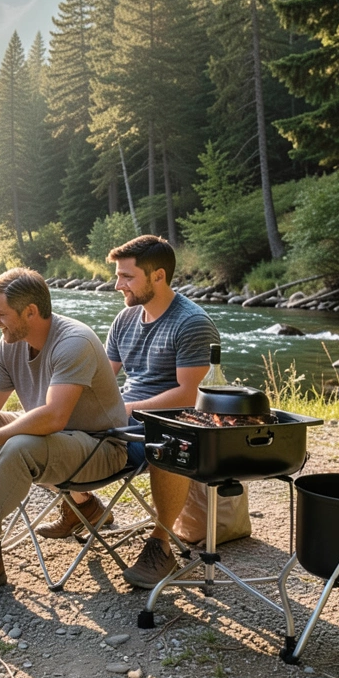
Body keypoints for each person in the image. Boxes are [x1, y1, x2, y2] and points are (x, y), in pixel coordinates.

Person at [0, 268, 130, 604]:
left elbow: (53, 417)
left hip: (100, 448)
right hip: (53, 441)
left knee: (19, 446)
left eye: (1, 314)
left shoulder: (73, 342)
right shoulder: (12, 343)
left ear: (30, 312)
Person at [102, 235, 220, 588]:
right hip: (122, 419)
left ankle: (161, 543)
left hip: (169, 426)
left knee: (168, 442)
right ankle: (82, 504)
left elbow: (190, 394)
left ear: (158, 276)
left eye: (127, 277)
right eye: (119, 276)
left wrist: (126, 410)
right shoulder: (124, 319)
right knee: (54, 424)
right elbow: (105, 378)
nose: (118, 284)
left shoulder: (192, 323)